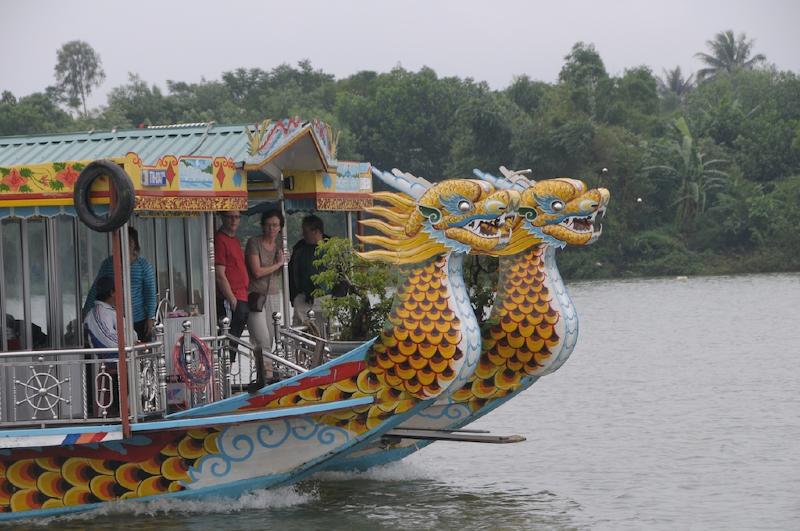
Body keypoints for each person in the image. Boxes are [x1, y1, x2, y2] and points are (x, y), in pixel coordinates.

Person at [82, 227, 156, 342]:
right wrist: (86, 311)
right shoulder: (108, 264)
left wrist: (151, 317)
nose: (126, 245)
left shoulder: (144, 266)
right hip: (114, 318)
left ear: (135, 245)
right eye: (122, 241)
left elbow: (150, 294)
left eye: (130, 242)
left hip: (138, 318)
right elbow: (96, 288)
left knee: (140, 350)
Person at [245, 210, 285, 354]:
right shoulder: (254, 243)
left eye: (275, 225)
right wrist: (278, 264)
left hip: (273, 294)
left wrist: (283, 262)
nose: (271, 229)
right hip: (256, 294)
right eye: (268, 225)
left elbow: (278, 273)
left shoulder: (280, 245)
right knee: (262, 340)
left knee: (272, 338)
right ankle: (265, 374)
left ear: (280, 227)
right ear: (262, 226)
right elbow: (257, 272)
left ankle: (266, 372)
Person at [215, 211, 249, 347]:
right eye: (230, 217)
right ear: (223, 218)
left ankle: (230, 363)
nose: (233, 220)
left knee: (235, 337)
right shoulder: (220, 239)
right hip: (231, 297)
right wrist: (231, 298)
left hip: (242, 295)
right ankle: (225, 365)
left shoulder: (234, 240)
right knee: (228, 336)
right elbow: (219, 274)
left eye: (236, 217)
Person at [288, 215, 328, 329]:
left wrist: (337, 295)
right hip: (302, 297)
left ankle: (322, 346)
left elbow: (341, 275)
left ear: (316, 232)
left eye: (306, 232)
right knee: (300, 328)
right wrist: (293, 296)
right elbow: (292, 274)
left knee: (323, 329)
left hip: (326, 298)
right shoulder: (299, 249)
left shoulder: (331, 248)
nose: (303, 235)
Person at [84, 276, 118, 349]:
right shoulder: (99, 314)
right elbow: (110, 341)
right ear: (112, 292)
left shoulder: (111, 311)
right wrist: (130, 342)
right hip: (111, 359)